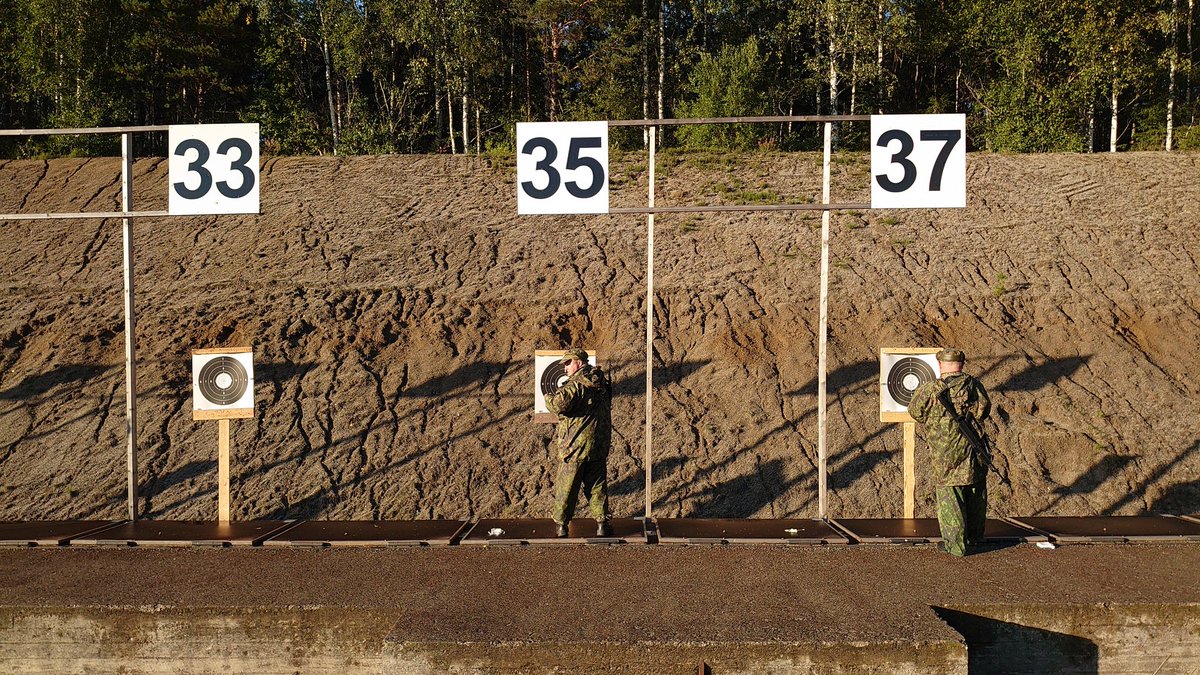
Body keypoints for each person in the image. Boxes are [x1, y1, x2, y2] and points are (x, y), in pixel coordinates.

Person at [907, 348, 992, 556]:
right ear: (961, 365)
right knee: (974, 490)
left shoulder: (930, 390)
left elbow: (915, 412)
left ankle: (956, 546)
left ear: (940, 365)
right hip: (971, 449)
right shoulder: (973, 385)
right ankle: (973, 538)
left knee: (950, 498)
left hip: (944, 454)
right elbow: (983, 411)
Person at [545, 347, 613, 537]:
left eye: (568, 363)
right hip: (598, 445)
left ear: (579, 362)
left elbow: (559, 405)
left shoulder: (576, 384)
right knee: (597, 486)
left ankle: (561, 526)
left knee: (566, 488)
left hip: (575, 447)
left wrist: (548, 398)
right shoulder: (601, 381)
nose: (565, 367)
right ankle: (602, 524)